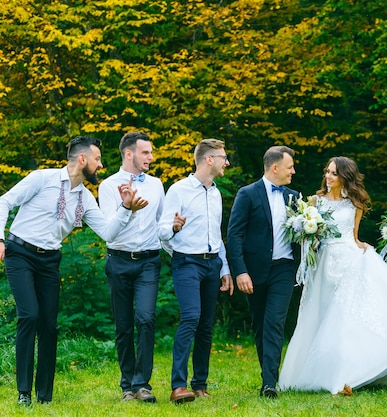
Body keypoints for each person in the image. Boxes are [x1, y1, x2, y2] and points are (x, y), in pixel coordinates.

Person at [278, 156, 387, 394]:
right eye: (327, 171)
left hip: (351, 261)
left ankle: (352, 373)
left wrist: (362, 246)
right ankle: (320, 372)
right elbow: (311, 237)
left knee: (347, 319)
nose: (328, 176)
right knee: (321, 316)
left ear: (345, 176)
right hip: (324, 264)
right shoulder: (315, 201)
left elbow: (353, 236)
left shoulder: (354, 204)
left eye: (334, 173)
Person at [0, 136, 144, 406]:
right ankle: (23, 393)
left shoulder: (85, 198)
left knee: (50, 326)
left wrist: (125, 208)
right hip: (20, 252)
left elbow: (107, 233)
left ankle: (43, 396)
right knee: (29, 316)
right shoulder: (42, 179)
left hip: (49, 260)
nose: (101, 165)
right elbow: (3, 202)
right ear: (82, 159)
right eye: (98, 159)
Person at [158, 138, 234, 403]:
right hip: (187, 263)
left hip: (212, 263)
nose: (227, 162)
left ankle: (199, 385)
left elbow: (218, 236)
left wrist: (224, 268)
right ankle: (178, 386)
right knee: (191, 317)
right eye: (223, 157)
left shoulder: (216, 193)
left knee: (205, 326)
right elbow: (161, 231)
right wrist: (175, 229)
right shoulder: (178, 190)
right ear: (208, 159)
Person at [227, 145, 300, 399]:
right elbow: (234, 234)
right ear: (275, 167)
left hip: (284, 268)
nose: (293, 171)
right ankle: (266, 373)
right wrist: (240, 272)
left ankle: (270, 382)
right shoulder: (247, 194)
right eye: (290, 166)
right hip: (254, 271)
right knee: (259, 325)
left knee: (274, 323)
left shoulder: (295, 197)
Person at [98, 132, 164, 402]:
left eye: (150, 152)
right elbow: (108, 233)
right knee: (123, 325)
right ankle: (127, 385)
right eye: (145, 152)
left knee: (146, 319)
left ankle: (142, 384)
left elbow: (160, 224)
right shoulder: (108, 185)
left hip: (149, 260)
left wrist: (172, 229)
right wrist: (127, 208)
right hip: (119, 260)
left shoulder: (157, 185)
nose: (150, 157)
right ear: (129, 154)